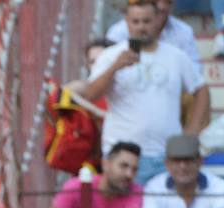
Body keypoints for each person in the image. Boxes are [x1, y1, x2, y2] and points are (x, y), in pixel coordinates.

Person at [83, 0, 210, 184]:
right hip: (123, 155)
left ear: (157, 20)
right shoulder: (111, 56)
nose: (141, 27)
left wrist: (192, 131)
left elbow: (201, 89)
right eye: (136, 22)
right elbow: (90, 94)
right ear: (126, 21)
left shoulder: (176, 56)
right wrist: (115, 67)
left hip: (166, 154)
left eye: (146, 21)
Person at [42, 141, 145, 208]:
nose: (129, 174)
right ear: (106, 164)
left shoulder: (135, 190)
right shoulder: (76, 185)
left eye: (134, 169)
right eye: (123, 166)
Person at [140, 134, 224, 208]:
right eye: (176, 160)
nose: (182, 166)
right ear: (167, 164)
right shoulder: (154, 185)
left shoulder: (219, 185)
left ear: (200, 162)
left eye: (188, 160)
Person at [106, 0, 202, 66]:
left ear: (172, 5)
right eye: (155, 1)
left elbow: (195, 74)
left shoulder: (184, 31)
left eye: (166, 1)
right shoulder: (117, 32)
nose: (161, 6)